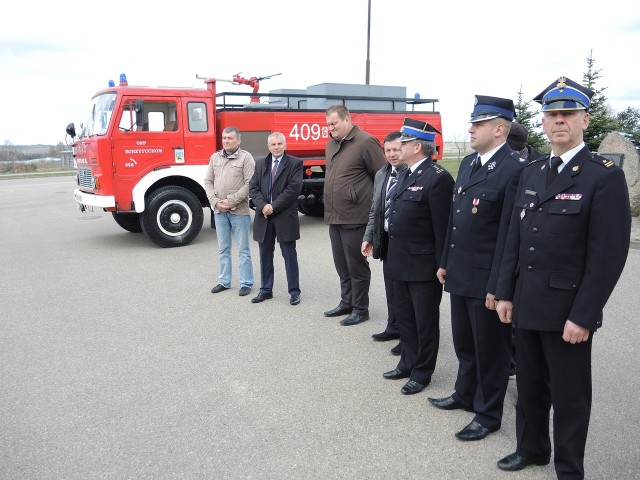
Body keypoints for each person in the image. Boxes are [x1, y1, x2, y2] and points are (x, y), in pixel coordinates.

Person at [494, 76, 631, 478]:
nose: (559, 122)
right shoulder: (532, 172)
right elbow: (514, 241)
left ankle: (570, 468)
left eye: (567, 114)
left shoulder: (602, 176)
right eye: (552, 114)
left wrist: (584, 315)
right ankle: (532, 448)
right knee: (530, 389)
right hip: (528, 302)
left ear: (585, 120)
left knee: (571, 399)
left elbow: (608, 256)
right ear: (543, 122)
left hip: (568, 311)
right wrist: (505, 293)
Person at [428, 96, 526, 441]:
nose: (470, 129)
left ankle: (488, 414)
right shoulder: (470, 163)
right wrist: (445, 263)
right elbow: (456, 222)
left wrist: (499, 286)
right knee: (465, 343)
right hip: (461, 272)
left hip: (487, 278)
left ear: (499, 129)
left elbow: (508, 235)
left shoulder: (514, 170)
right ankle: (465, 393)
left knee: (492, 351)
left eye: (478, 124)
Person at [382, 118, 454, 395]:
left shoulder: (438, 178)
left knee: (424, 322)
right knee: (405, 318)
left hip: (423, 266)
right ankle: (407, 362)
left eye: (405, 142)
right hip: (398, 260)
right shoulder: (406, 173)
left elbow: (443, 228)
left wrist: (442, 264)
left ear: (417, 146)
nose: (400, 146)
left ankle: (423, 371)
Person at [323, 105, 386, 326]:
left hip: (356, 216)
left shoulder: (366, 142)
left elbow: (382, 176)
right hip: (335, 216)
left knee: (356, 265)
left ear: (347, 119)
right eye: (328, 125)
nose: (331, 128)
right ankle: (346, 302)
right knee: (341, 264)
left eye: (334, 123)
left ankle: (361, 309)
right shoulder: (331, 144)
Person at [361, 131, 406, 349]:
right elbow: (375, 209)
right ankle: (393, 326)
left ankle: (408, 336)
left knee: (404, 290)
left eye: (396, 149)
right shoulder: (382, 174)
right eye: (387, 150)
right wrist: (369, 236)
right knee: (391, 286)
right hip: (387, 238)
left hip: (406, 242)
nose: (392, 154)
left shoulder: (410, 173)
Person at [249, 132, 303, 306]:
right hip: (264, 217)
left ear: (285, 145)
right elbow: (253, 187)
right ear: (268, 147)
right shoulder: (260, 164)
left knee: (289, 255)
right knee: (265, 255)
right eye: (273, 144)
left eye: (280, 144)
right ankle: (266, 290)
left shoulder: (295, 163)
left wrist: (273, 206)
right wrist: (263, 205)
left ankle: (294, 291)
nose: (276, 147)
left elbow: (293, 190)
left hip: (284, 216)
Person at [205, 126, 255, 296]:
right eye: (224, 138)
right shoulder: (215, 157)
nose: (226, 141)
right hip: (220, 211)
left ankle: (246, 283)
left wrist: (231, 200)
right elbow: (208, 181)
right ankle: (224, 281)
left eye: (230, 138)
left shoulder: (246, 158)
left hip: (239, 212)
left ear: (238, 140)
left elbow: (250, 184)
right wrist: (216, 202)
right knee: (223, 249)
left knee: (243, 250)